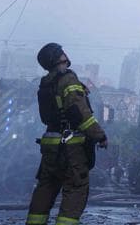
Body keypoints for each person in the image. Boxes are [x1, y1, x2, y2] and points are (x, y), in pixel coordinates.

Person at [25, 43, 108, 225]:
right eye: (62, 52)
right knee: (75, 189)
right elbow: (80, 113)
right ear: (58, 57)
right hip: (70, 145)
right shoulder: (68, 79)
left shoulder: (46, 83)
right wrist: (99, 135)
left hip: (50, 144)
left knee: (46, 187)